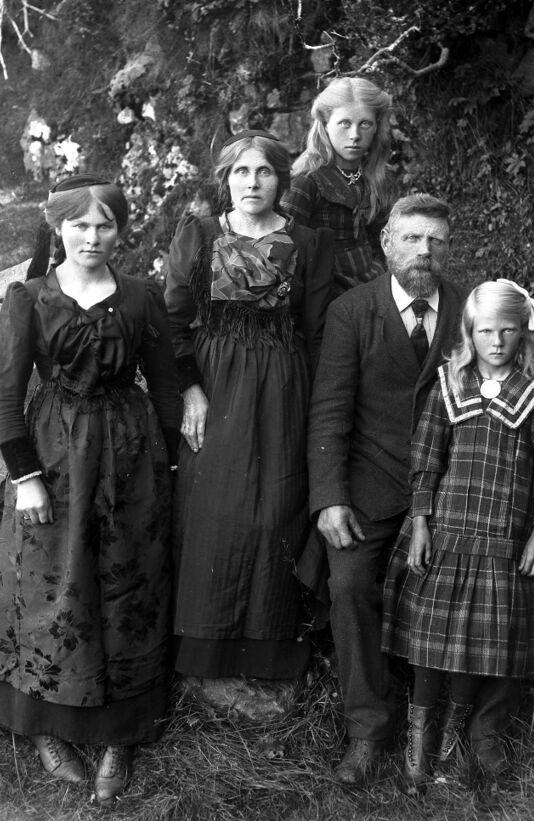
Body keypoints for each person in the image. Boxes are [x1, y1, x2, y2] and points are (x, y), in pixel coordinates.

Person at [0, 174, 181, 806]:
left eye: (105, 225)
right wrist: (26, 478)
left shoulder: (142, 296)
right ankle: (46, 726)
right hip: (53, 457)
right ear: (57, 228)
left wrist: (169, 468)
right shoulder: (29, 298)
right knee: (55, 584)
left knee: (128, 586)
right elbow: (7, 400)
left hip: (130, 457)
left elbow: (166, 385)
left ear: (121, 231)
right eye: (80, 225)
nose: (92, 237)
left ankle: (120, 736)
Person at [381, 280, 534, 792]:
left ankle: (451, 742)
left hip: (501, 542)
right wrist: (421, 524)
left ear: (522, 332)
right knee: (430, 643)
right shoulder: (449, 383)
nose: (496, 341)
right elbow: (426, 460)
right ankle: (418, 745)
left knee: (475, 646)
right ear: (470, 331)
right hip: (446, 536)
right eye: (485, 331)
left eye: (507, 330)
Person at [307, 193, 466, 783]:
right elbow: (329, 410)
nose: (424, 251)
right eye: (412, 238)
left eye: (436, 241)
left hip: (449, 487)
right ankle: (367, 729)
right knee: (349, 584)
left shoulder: (466, 309)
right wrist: (330, 498)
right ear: (386, 243)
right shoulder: (352, 311)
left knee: (459, 585)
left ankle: (451, 723)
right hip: (369, 485)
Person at [165, 130, 333, 681]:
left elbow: (316, 331)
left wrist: (312, 406)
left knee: (277, 505)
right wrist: (190, 390)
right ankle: (205, 651)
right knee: (215, 509)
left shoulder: (309, 241)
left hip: (284, 387)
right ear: (226, 179)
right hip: (215, 387)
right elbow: (172, 321)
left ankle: (271, 650)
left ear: (282, 180)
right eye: (241, 171)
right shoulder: (200, 234)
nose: (252, 182)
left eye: (264, 172)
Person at [281, 77, 395, 296]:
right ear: (325, 124)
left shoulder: (378, 177)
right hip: (326, 295)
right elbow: (285, 252)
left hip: (375, 286)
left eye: (365, 124)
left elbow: (384, 242)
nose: (355, 135)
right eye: (345, 123)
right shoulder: (306, 182)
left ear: (376, 127)